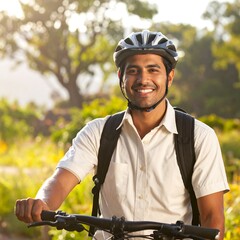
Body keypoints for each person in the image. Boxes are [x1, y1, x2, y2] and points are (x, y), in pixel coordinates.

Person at [15, 30, 229, 239]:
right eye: (134, 70)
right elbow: (60, 181)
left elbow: (213, 219)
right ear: (121, 77)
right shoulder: (98, 132)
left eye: (153, 70)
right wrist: (41, 202)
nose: (143, 79)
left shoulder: (198, 137)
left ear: (169, 77)